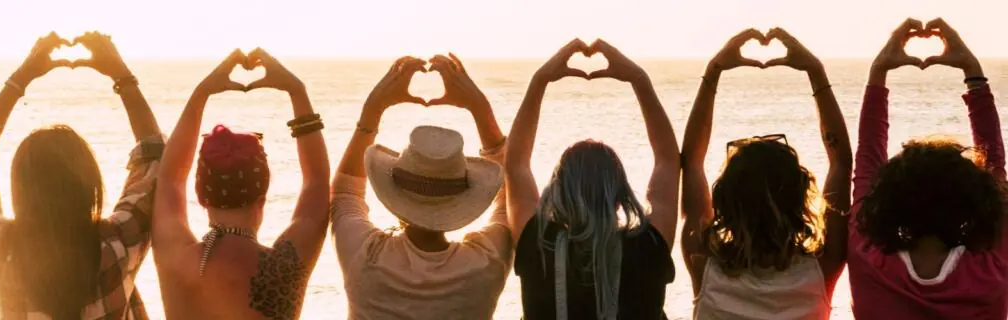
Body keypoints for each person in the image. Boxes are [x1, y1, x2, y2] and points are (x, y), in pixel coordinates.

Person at [0, 32, 164, 319]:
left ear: (19, 189)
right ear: (90, 186)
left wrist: (20, 79)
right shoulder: (116, 248)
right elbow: (155, 159)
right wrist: (122, 77)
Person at [680, 28, 853, 319]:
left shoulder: (705, 263)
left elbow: (692, 163)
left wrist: (714, 72)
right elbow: (842, 163)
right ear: (800, 197)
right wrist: (815, 72)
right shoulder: (819, 270)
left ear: (725, 199)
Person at [505, 39, 680, 320]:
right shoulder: (648, 244)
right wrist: (638, 80)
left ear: (559, 190)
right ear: (620, 193)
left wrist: (540, 81)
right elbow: (668, 161)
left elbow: (515, 165)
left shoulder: (538, 243)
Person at [151, 48, 330, 319]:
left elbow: (170, 180)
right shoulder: (283, 267)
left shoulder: (178, 259)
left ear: (201, 196)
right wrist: (297, 91)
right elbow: (316, 181)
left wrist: (201, 94)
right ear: (263, 194)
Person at [847, 18, 1007, 319]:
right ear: (976, 199)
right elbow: (995, 165)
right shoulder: (991, 266)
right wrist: (972, 71)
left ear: (887, 201)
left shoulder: (868, 256)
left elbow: (867, 159)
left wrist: (878, 71)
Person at [330, 54, 511, 319]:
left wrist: (373, 111)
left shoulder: (365, 256)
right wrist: (479, 108)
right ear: (463, 197)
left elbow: (345, 190)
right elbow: (511, 195)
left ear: (394, 194)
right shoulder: (485, 264)